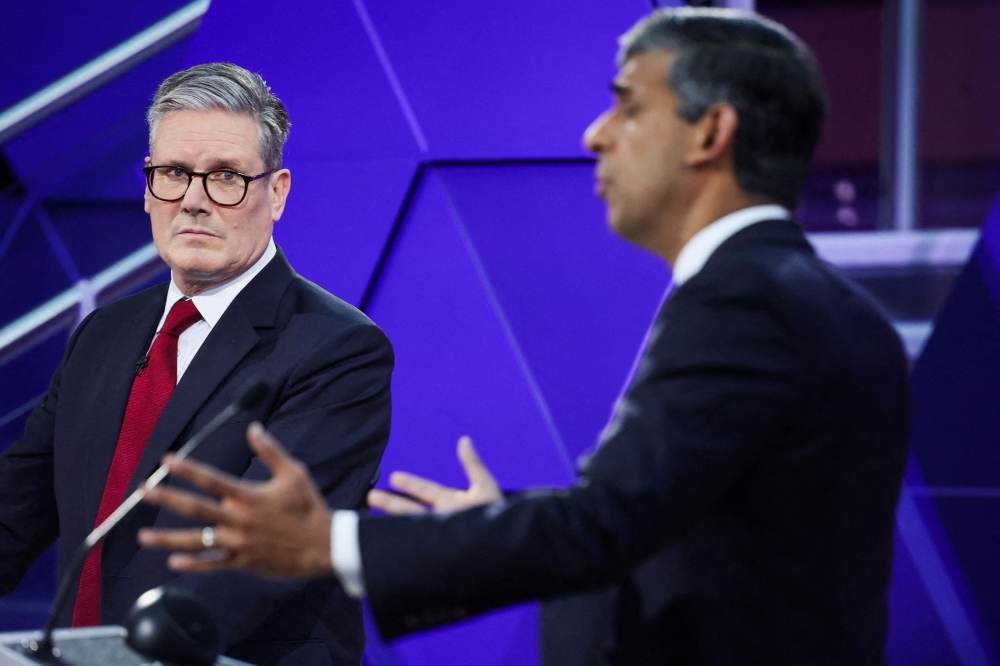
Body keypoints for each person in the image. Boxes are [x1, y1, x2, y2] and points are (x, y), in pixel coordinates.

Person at [138, 9, 911, 665]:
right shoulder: (821, 303)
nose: (596, 134)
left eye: (628, 107)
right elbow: (693, 516)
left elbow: (606, 526)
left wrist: (332, 544)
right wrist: (494, 524)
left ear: (710, 131)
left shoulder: (745, 302)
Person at [0, 63, 393, 666]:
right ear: (148, 186)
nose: (193, 200)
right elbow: (15, 511)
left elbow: (260, 556)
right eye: (174, 173)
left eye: (226, 177)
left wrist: (135, 652)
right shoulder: (103, 333)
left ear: (277, 192)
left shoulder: (337, 348)